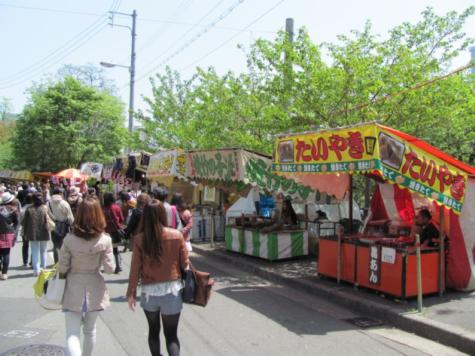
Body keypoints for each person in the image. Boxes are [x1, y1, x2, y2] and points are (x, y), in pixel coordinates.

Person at [127, 200, 189, 356]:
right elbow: (184, 263)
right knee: (172, 336)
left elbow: (135, 268)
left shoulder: (140, 239)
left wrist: (131, 292)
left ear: (145, 217)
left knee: (153, 332)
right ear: (163, 214)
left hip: (149, 291)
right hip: (172, 291)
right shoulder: (176, 235)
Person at [58, 196, 115, 356]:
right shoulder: (105, 240)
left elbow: (62, 267)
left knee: (72, 333)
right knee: (90, 331)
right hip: (95, 287)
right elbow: (110, 269)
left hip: (73, 286)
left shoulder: (69, 239)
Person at [22, 193, 50, 276]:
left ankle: (36, 271)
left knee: (34, 252)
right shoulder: (45, 208)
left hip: (32, 233)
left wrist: (25, 233)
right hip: (44, 231)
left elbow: (24, 222)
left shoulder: (29, 209)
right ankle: (44, 268)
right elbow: (51, 218)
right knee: (43, 251)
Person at [48, 188, 75, 263]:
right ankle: (64, 262)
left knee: (55, 245)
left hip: (54, 225)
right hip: (64, 226)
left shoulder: (49, 203)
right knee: (65, 245)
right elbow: (70, 217)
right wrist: (72, 226)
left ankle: (56, 262)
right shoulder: (64, 203)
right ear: (60, 193)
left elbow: (48, 215)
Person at [103, 192, 125, 273]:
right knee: (115, 249)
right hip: (115, 230)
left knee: (108, 250)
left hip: (105, 231)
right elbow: (121, 219)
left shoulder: (103, 208)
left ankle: (110, 266)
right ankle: (118, 265)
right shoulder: (116, 207)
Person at [0, 192, 19, 280]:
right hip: (9, 233)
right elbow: (17, 223)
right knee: (6, 254)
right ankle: (4, 273)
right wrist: (14, 232)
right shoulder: (13, 210)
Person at [19, 193, 33, 267]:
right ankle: (32, 261)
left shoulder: (22, 209)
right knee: (33, 245)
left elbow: (20, 221)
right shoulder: (34, 208)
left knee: (25, 245)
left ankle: (25, 262)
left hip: (24, 230)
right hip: (32, 230)